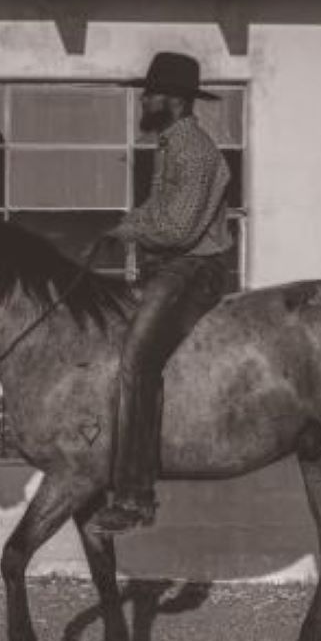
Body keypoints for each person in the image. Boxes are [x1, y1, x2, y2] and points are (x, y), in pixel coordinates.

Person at [88, 51, 236, 535]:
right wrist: (121, 229)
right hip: (169, 265)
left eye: (149, 94)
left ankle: (135, 496)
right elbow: (156, 210)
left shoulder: (194, 151)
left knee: (137, 359)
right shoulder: (171, 144)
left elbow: (176, 228)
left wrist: (123, 231)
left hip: (193, 269)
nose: (143, 101)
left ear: (172, 99)